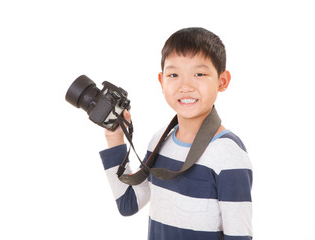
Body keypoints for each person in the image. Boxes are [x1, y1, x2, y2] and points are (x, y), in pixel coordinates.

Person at [99, 27, 253, 240]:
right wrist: (114, 138)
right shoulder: (159, 141)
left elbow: (239, 236)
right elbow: (128, 203)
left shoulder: (228, 153)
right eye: (174, 74)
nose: (185, 86)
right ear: (162, 82)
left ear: (222, 81)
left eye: (199, 74)